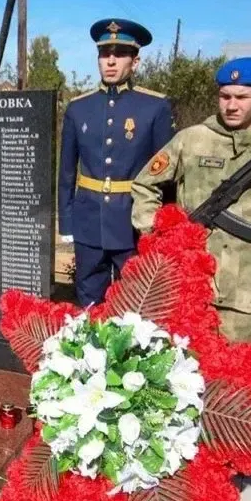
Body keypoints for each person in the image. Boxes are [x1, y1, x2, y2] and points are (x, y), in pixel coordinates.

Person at [131, 56, 251, 347]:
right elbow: (144, 184)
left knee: (237, 379)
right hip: (188, 283)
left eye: (242, 97)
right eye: (225, 96)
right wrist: (159, 233)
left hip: (245, 292)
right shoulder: (191, 140)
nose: (232, 105)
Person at [58, 18, 176, 306]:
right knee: (88, 301)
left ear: (135, 62)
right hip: (89, 222)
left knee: (136, 302)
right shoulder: (78, 108)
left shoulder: (155, 107)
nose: (110, 61)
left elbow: (166, 176)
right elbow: (66, 173)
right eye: (104, 54)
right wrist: (67, 224)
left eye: (120, 54)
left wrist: (162, 225)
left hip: (134, 222)